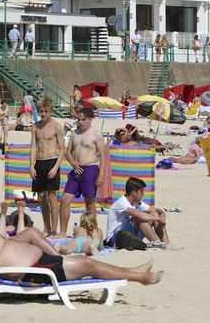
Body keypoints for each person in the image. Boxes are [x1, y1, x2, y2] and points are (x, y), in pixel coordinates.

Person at [0, 200, 162, 285]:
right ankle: (140, 277)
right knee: (87, 264)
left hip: (39, 263)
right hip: (37, 270)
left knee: (84, 261)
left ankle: (135, 272)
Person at [58, 106, 106, 236]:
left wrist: (101, 174)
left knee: (89, 202)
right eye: (79, 119)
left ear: (90, 119)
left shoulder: (96, 134)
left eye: (83, 119)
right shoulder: (75, 134)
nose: (81, 122)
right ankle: (62, 231)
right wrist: (73, 163)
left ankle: (92, 231)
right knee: (65, 200)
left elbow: (103, 155)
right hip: (76, 169)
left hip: (90, 168)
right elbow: (67, 153)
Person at [30, 98, 65, 236]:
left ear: (50, 111)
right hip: (39, 162)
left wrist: (56, 167)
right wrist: (31, 166)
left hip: (52, 161)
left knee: (52, 196)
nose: (43, 114)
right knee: (41, 197)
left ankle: (54, 229)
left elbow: (62, 149)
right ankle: (46, 227)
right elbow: (33, 147)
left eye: (45, 111)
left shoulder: (56, 126)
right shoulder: (35, 127)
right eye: (41, 111)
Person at [105, 177, 170, 249]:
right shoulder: (121, 203)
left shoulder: (137, 202)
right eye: (141, 191)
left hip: (129, 235)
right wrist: (158, 218)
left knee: (153, 214)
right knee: (142, 219)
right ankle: (158, 243)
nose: (143, 194)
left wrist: (162, 215)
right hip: (115, 238)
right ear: (133, 192)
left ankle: (167, 244)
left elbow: (155, 210)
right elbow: (139, 215)